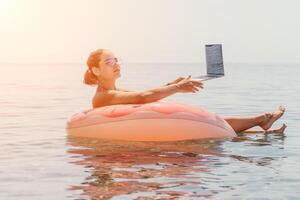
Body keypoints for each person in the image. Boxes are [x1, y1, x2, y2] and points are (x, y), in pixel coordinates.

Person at [83, 49, 286, 134]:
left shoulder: (114, 90)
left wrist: (173, 82)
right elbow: (142, 97)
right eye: (109, 61)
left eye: (117, 59)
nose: (116, 63)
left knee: (207, 121)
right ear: (96, 70)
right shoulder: (104, 96)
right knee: (205, 123)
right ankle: (261, 120)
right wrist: (178, 88)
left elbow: (143, 94)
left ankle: (261, 126)